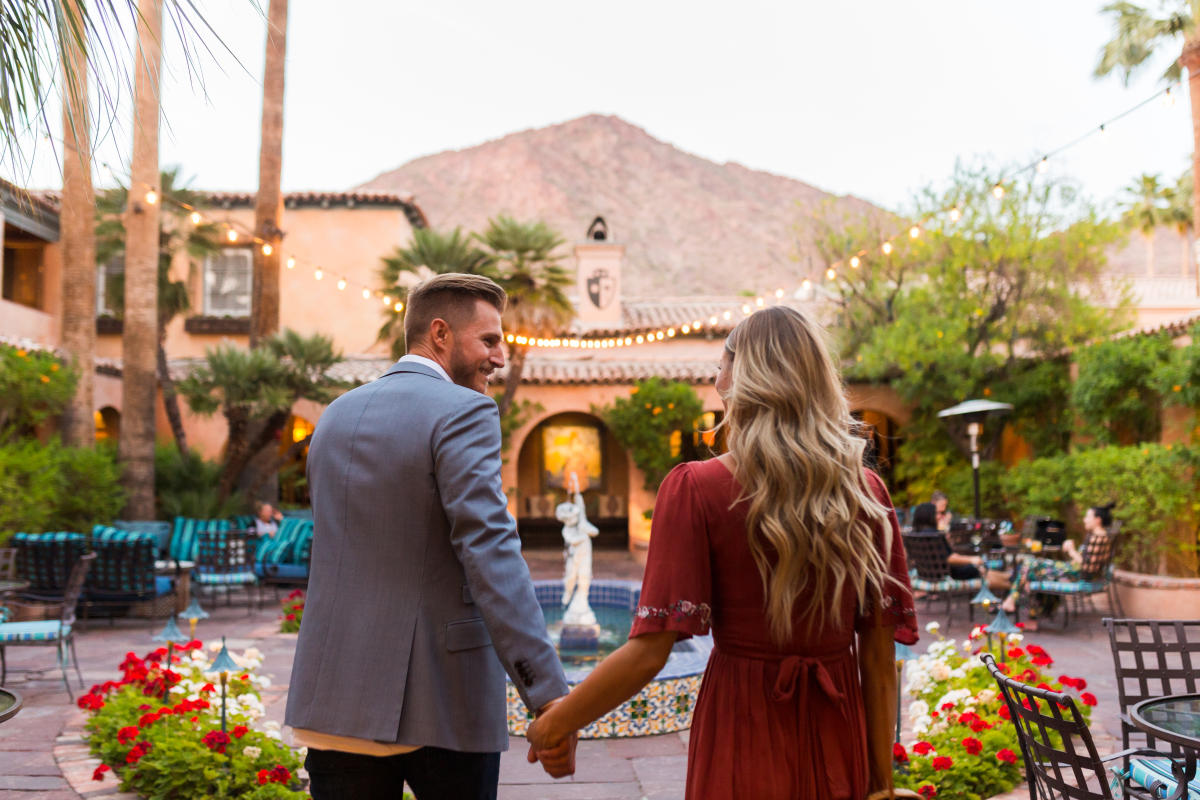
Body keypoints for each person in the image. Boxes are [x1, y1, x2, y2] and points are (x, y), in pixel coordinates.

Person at [526, 306, 918, 799]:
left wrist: (554, 723)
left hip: (743, 725)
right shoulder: (866, 494)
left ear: (738, 380)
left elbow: (651, 649)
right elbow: (878, 658)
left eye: (720, 366)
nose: (714, 378)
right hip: (837, 730)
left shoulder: (699, 489)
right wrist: (881, 786)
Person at [285, 273, 575, 799]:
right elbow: (490, 550)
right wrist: (549, 694)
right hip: (439, 701)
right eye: (489, 340)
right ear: (440, 334)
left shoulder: (333, 417)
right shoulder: (465, 411)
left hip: (333, 698)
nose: (501, 357)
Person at [1000, 503, 1117, 631]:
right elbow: (1087, 562)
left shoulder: (1099, 538)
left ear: (1097, 519)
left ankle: (1013, 600)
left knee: (1030, 565)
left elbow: (1088, 568)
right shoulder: (1099, 536)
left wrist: (1071, 551)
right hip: (1074, 572)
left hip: (1076, 576)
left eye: (1088, 517)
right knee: (1030, 573)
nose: (1084, 519)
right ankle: (1030, 613)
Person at [557, 471, 600, 625]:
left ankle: (581, 600)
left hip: (584, 557)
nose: (574, 519)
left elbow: (594, 530)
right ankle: (568, 593)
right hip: (573, 558)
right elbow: (577, 539)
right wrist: (584, 531)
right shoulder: (567, 530)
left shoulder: (581, 523)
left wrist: (576, 489)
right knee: (570, 578)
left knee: (584, 578)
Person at [910, 502, 983, 580]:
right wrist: (973, 559)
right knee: (983, 571)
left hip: (925, 575)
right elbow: (949, 558)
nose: (940, 516)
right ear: (928, 516)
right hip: (950, 575)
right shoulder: (934, 534)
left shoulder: (914, 535)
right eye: (936, 514)